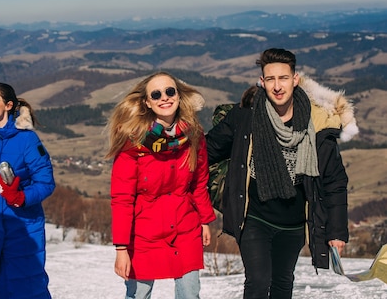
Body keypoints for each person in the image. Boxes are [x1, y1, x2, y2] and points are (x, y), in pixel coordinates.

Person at [206, 48, 357, 299]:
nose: (278, 86)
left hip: (294, 223)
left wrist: (337, 230)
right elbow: (206, 150)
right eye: (271, 79)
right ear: (262, 82)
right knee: (257, 281)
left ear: (295, 79)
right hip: (254, 216)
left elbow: (334, 182)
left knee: (283, 283)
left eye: (283, 78)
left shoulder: (318, 125)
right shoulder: (246, 116)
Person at [107, 71, 216, 299]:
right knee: (139, 294)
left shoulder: (194, 136)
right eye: (156, 94)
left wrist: (205, 219)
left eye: (169, 91)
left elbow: (198, 183)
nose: (164, 98)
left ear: (178, 95)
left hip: (185, 227)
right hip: (144, 233)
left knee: (190, 294)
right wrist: (121, 248)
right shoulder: (133, 143)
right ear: (147, 102)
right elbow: (122, 199)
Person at [0, 82, 55, 299]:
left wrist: (21, 197)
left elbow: (45, 182)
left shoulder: (26, 139)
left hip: (23, 228)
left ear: (8, 105)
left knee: (28, 288)